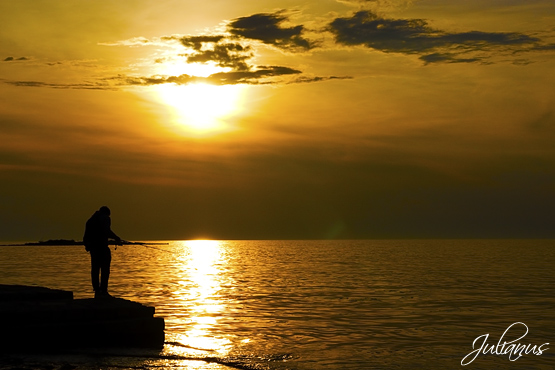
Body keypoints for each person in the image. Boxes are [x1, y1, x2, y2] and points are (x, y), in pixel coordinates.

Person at [83, 206, 122, 298]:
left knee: (95, 270)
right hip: (102, 248)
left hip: (93, 249)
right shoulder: (105, 218)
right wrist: (116, 238)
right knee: (105, 270)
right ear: (107, 213)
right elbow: (106, 231)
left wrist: (88, 246)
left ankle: (97, 291)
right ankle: (104, 291)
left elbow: (85, 237)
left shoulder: (90, 220)